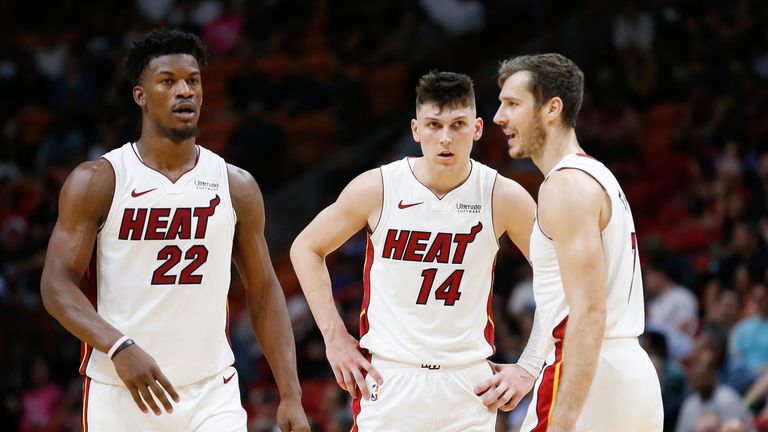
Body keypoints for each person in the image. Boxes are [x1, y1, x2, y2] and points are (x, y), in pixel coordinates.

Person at [39, 28, 309, 432]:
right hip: (121, 391)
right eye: (168, 81)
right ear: (141, 96)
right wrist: (118, 346)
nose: (185, 91)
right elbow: (56, 284)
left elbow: (264, 289)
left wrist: (291, 393)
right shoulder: (99, 181)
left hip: (210, 392)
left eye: (193, 81)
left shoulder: (235, 185)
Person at [290, 70, 536, 431]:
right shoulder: (378, 187)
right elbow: (305, 248)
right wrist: (335, 339)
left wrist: (529, 366)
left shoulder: (503, 196)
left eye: (458, 124)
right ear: (415, 129)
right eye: (434, 125)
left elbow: (561, 277)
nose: (446, 138)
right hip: (390, 376)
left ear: (478, 128)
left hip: (468, 382)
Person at [488, 53, 664, 431]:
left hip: (586, 375)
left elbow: (588, 313)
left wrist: (562, 421)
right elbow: (560, 301)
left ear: (552, 108)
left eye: (513, 104)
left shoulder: (564, 186)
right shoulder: (595, 175)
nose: (498, 117)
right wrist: (527, 367)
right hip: (627, 373)